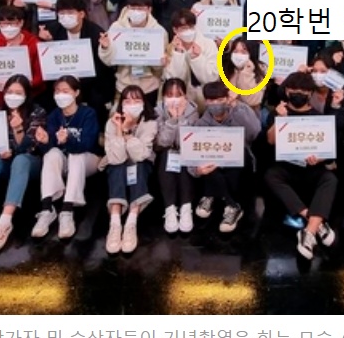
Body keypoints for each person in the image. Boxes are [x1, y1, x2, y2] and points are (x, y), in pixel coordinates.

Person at [0, 74, 48, 254]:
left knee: (20, 160)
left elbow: (29, 147)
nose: (13, 96)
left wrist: (18, 128)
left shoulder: (37, 112)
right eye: (10, 91)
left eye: (18, 92)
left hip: (30, 163)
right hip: (5, 162)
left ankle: (5, 221)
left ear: (26, 94)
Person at [264, 71, 338, 260]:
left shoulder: (319, 117)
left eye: (303, 91)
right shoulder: (278, 112)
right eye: (293, 90)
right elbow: (270, 141)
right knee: (271, 176)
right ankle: (315, 221)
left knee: (330, 179)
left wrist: (318, 158)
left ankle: (309, 232)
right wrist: (280, 119)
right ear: (286, 91)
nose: (298, 94)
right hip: (285, 168)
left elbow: (327, 151)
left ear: (310, 93)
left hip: (311, 169)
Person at [31, 76, 101, 240]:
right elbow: (51, 146)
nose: (60, 95)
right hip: (65, 161)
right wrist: (45, 141)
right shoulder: (54, 115)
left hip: (88, 160)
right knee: (52, 154)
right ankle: (47, 209)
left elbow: (87, 144)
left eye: (65, 91)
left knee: (76, 156)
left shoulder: (88, 113)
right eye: (57, 91)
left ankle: (67, 210)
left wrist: (68, 140)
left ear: (76, 93)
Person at [193, 81, 262, 233]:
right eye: (211, 101)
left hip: (240, 160)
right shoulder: (201, 123)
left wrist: (236, 106)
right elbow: (193, 153)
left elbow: (255, 132)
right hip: (214, 165)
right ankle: (232, 205)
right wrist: (197, 170)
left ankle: (214, 196)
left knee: (238, 154)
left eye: (219, 100)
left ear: (227, 98)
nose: (215, 104)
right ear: (206, 102)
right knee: (208, 161)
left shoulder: (241, 110)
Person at [39, 0, 117, 127]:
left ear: (81, 14)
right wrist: (46, 42)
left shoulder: (95, 32)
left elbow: (102, 67)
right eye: (61, 13)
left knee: (97, 97)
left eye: (70, 13)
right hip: (61, 79)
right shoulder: (52, 30)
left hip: (90, 81)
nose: (65, 17)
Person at [104, 85, 159, 254]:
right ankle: (115, 223)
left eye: (136, 100)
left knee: (139, 165)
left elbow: (141, 155)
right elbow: (116, 158)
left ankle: (131, 221)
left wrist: (127, 131)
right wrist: (119, 129)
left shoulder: (150, 122)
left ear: (143, 103)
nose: (132, 104)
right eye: (127, 101)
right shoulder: (112, 122)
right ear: (121, 104)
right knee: (117, 166)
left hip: (141, 163)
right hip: (118, 164)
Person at [98, 0, 169, 108]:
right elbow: (108, 61)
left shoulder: (159, 32)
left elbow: (159, 69)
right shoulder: (116, 28)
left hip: (149, 87)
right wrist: (105, 48)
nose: (136, 12)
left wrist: (160, 62)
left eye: (140, 9)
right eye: (133, 8)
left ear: (149, 9)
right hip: (123, 86)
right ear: (127, 8)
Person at [154, 78, 199, 234]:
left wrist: (182, 119)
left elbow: (187, 140)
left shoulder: (193, 110)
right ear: (163, 96)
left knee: (185, 156)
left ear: (185, 96)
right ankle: (170, 209)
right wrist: (173, 120)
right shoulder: (157, 111)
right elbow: (162, 141)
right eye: (170, 95)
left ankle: (186, 207)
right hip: (164, 152)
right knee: (167, 156)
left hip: (186, 151)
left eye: (178, 94)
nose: (174, 99)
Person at [0, 6, 45, 103]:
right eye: (3, 24)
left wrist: (21, 86)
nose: (8, 27)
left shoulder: (34, 43)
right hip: (2, 95)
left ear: (21, 23)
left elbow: (40, 75)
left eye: (12, 23)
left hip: (31, 95)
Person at [164, 9, 220, 108]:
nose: (188, 31)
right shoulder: (170, 48)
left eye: (191, 27)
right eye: (184, 28)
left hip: (207, 100)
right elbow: (173, 80)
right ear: (175, 30)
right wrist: (178, 53)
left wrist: (197, 58)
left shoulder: (209, 44)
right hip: (182, 104)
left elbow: (212, 78)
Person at [221, 37, 266, 113]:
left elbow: (252, 101)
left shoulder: (260, 70)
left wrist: (245, 73)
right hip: (227, 113)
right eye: (235, 51)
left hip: (250, 114)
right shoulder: (226, 68)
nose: (239, 55)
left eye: (243, 52)